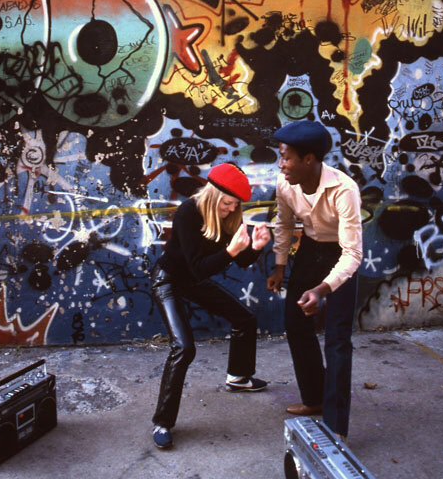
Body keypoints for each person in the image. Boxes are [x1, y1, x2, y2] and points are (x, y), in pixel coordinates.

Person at [151, 162, 271, 449]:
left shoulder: (228, 217)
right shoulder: (189, 212)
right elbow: (198, 268)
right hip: (168, 280)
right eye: (228, 203)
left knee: (244, 319)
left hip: (193, 278)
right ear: (215, 195)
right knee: (184, 347)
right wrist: (231, 250)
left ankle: (239, 377)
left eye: (235, 205)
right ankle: (162, 422)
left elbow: (240, 261)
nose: (231, 209)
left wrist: (255, 247)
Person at [266, 121, 362, 441]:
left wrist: (322, 290)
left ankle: (336, 426)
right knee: (295, 322)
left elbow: (352, 254)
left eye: (287, 158)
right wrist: (280, 267)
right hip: (309, 251)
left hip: (340, 256)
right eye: (281, 157)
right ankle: (315, 399)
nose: (282, 164)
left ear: (310, 160)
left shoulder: (344, 189)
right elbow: (283, 224)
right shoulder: (286, 184)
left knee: (337, 339)